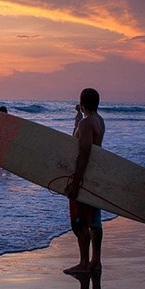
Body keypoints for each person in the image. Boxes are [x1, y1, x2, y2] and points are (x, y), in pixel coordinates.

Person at [64, 88, 105, 275]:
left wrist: (75, 182)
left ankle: (83, 263)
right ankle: (95, 261)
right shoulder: (99, 120)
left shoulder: (86, 123)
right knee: (95, 221)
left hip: (84, 177)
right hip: (94, 177)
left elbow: (84, 153)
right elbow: (80, 139)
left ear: (81, 102)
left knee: (79, 222)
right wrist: (78, 118)